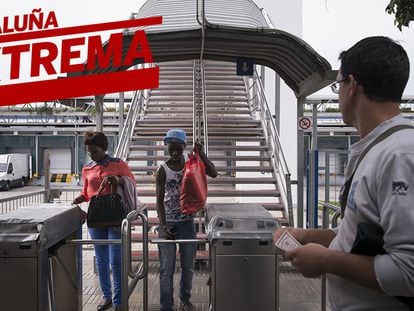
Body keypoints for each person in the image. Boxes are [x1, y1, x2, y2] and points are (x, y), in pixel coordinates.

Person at [274, 36, 414, 310]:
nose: (337, 93)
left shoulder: (400, 154)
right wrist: (307, 236)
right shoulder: (378, 147)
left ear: (353, 85)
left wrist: (326, 260)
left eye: (338, 83)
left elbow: (408, 271)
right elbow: (363, 234)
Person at [72, 131, 135, 311]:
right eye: (89, 151)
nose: (92, 155)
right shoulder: (87, 168)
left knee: (116, 260)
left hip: (115, 217)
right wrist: (78, 199)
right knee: (100, 259)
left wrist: (119, 180)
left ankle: (119, 300)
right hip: (96, 218)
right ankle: (107, 296)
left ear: (104, 148)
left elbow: (132, 184)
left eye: (95, 151)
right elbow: (87, 193)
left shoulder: (119, 164)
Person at [156, 129, 217, 311]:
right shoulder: (163, 169)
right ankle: (166, 306)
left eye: (178, 148)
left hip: (186, 223)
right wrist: (163, 225)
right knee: (166, 269)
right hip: (168, 223)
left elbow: (213, 173)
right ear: (167, 147)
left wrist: (202, 154)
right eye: (170, 148)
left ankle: (185, 300)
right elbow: (159, 199)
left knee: (188, 267)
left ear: (184, 147)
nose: (174, 152)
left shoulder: (192, 165)